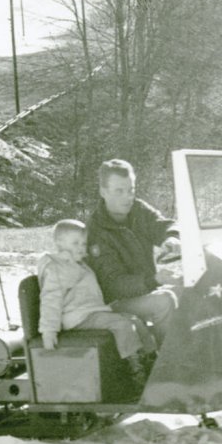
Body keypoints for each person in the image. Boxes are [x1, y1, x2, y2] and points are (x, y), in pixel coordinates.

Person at [36, 219, 155, 385]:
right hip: (77, 317)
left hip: (91, 312)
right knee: (122, 325)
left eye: (83, 244)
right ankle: (135, 369)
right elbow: (50, 299)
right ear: (59, 243)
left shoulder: (79, 264)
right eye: (75, 243)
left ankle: (152, 359)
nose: (81, 247)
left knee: (134, 320)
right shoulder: (56, 268)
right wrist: (49, 330)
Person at [85, 159, 181, 344]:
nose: (128, 197)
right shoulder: (95, 231)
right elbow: (114, 284)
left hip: (144, 289)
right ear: (103, 192)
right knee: (164, 301)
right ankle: (168, 366)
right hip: (114, 302)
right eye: (119, 191)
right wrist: (154, 280)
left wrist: (171, 236)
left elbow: (161, 224)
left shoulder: (138, 210)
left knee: (192, 288)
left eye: (131, 190)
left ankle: (194, 355)